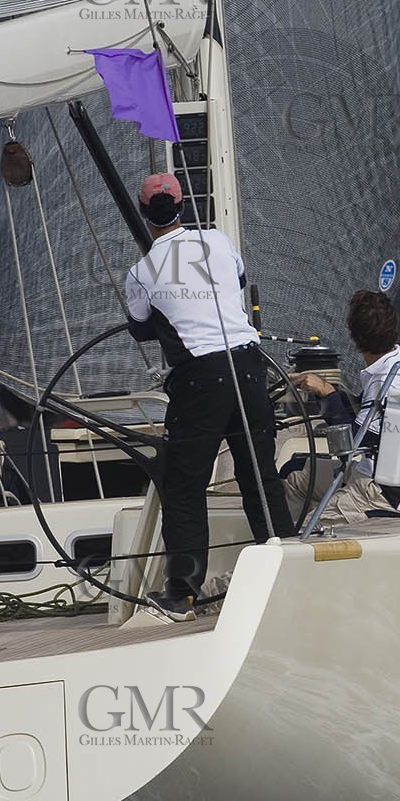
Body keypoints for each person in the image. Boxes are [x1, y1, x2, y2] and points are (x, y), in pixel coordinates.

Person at [124, 172, 293, 618]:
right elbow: (238, 277)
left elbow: (141, 327)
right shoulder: (216, 241)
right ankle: (289, 567)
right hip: (249, 365)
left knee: (183, 486)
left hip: (201, 378)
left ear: (145, 215)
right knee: (260, 475)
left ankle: (181, 595)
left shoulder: (141, 272)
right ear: (182, 206)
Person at [286, 291, 400, 523]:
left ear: (354, 337)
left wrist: (327, 392)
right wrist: (325, 388)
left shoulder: (388, 379)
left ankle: (284, 538)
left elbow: (355, 443)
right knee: (294, 472)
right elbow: (364, 420)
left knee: (307, 530)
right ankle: (283, 532)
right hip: (382, 479)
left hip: (382, 493)